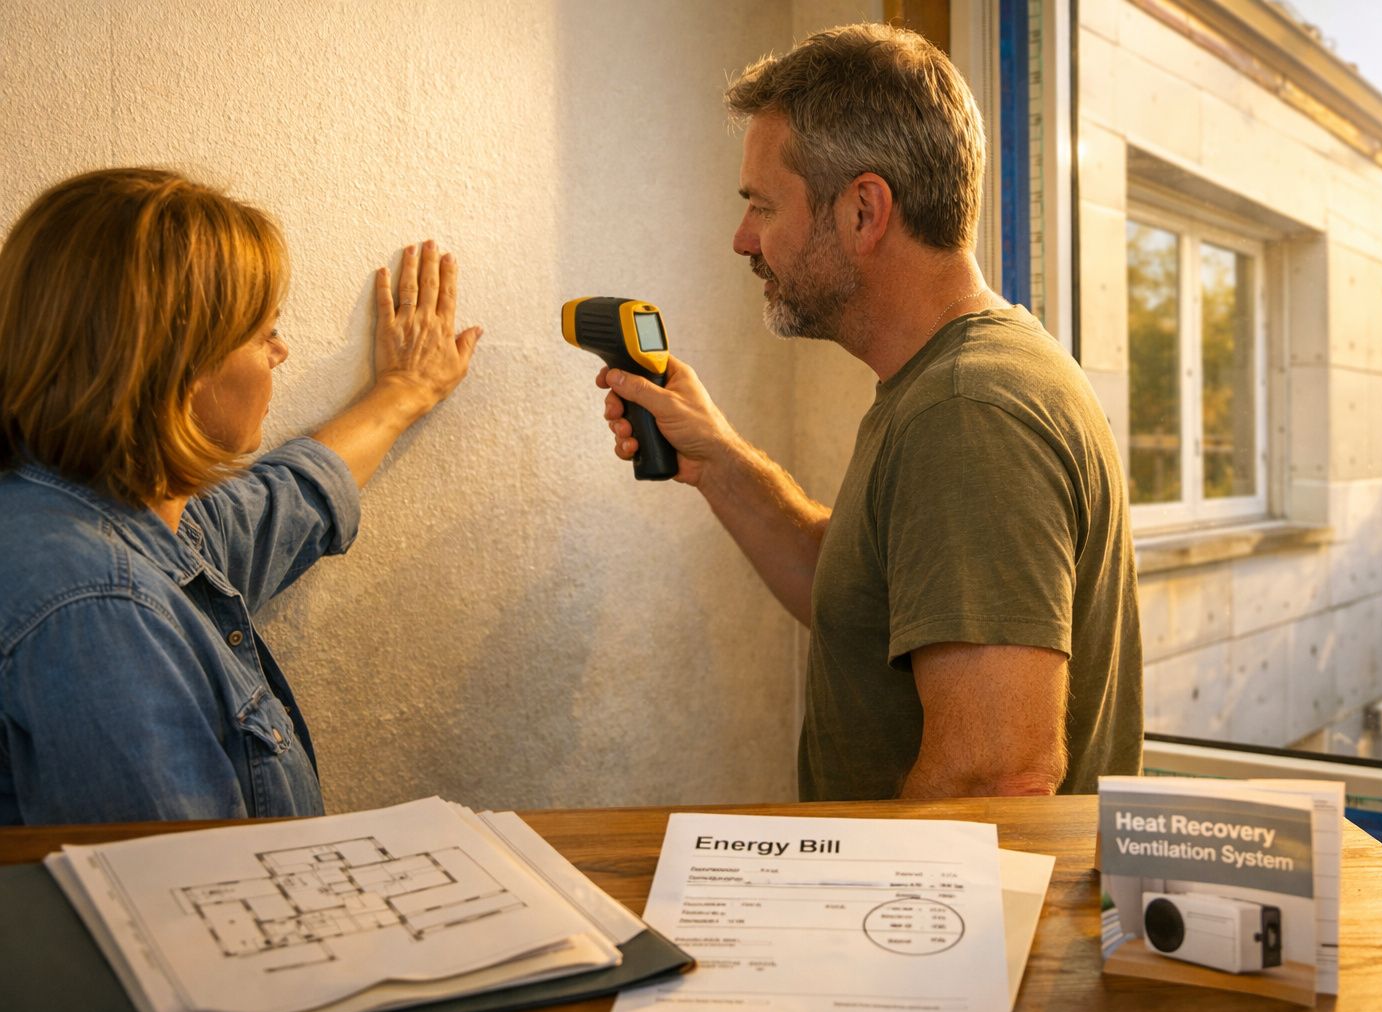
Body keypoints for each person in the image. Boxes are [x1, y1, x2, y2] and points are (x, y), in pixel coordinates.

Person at [598, 24, 1142, 799]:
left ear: (863, 211)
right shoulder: (949, 383)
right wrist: (717, 461)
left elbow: (996, 775)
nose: (742, 239)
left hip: (934, 922)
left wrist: (836, 917)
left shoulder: (968, 413)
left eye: (762, 205)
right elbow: (869, 603)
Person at [0, 167, 481, 824]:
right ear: (178, 363)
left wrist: (404, 394)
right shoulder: (102, 606)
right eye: (263, 332)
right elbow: (187, 896)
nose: (280, 352)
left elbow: (283, 503)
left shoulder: (109, 517)